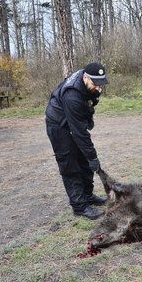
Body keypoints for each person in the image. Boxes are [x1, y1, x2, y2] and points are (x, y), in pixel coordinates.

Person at [45, 63, 108, 220]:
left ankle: (87, 196)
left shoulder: (89, 82)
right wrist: (93, 157)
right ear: (85, 77)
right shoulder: (72, 95)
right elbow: (79, 133)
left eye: (101, 84)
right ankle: (79, 206)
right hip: (58, 125)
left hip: (73, 119)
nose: (99, 88)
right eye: (95, 84)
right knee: (70, 165)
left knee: (84, 162)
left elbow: (88, 102)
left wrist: (89, 116)